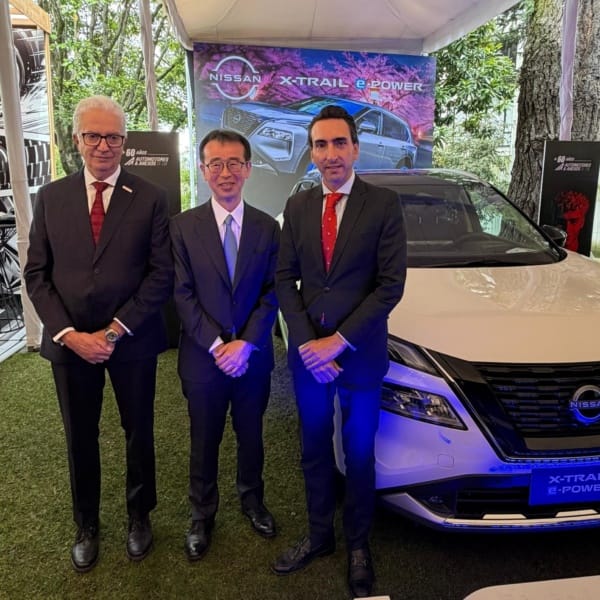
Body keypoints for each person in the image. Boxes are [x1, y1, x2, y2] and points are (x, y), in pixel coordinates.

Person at [24, 95, 173, 572]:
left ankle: (139, 516)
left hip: (131, 339)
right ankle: (86, 523)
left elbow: (161, 274)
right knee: (79, 435)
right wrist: (69, 334)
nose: (103, 146)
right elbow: (36, 275)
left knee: (139, 431)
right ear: (77, 140)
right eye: (93, 136)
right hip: (70, 345)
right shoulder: (51, 197)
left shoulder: (150, 197)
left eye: (113, 137)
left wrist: (112, 332)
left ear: (125, 142)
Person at [273, 105, 407, 597]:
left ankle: (358, 545)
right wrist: (309, 342)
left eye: (339, 143)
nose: (330, 154)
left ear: (356, 148)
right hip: (310, 358)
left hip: (360, 354)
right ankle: (318, 535)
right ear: (312, 152)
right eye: (321, 144)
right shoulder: (299, 206)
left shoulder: (383, 204)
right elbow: (284, 279)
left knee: (359, 452)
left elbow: (390, 285)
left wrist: (338, 341)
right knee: (312, 446)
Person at [170, 129, 280, 561]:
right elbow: (181, 294)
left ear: (248, 168)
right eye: (215, 163)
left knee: (251, 434)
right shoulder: (182, 227)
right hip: (204, 359)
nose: (225, 172)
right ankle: (202, 515)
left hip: (252, 359)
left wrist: (246, 344)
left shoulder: (268, 228)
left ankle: (253, 501)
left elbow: (272, 292)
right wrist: (218, 346)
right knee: (204, 438)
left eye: (234, 162)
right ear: (203, 170)